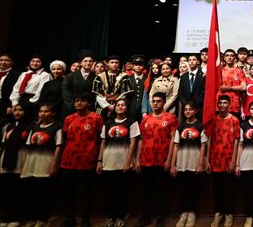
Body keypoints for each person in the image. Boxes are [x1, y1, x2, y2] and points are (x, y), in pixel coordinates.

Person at [60, 92, 104, 227]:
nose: (79, 103)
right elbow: (65, 138)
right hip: (68, 160)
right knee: (68, 191)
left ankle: (85, 218)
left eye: (82, 101)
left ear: (89, 103)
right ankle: (70, 218)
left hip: (87, 160)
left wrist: (98, 159)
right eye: (77, 101)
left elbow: (101, 138)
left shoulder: (96, 118)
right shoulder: (69, 119)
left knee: (86, 192)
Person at [135, 92, 178, 227]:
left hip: (162, 160)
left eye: (158, 101)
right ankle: (145, 216)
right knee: (145, 190)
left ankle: (160, 217)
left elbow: (173, 140)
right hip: (146, 160)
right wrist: (137, 159)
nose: (155, 104)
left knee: (161, 191)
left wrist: (169, 160)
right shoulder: (146, 119)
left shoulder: (170, 118)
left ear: (164, 102)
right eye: (153, 101)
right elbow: (141, 140)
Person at [96, 98, 140, 227]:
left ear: (127, 108)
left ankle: (120, 217)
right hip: (108, 161)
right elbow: (103, 142)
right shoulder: (108, 123)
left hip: (123, 162)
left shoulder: (132, 122)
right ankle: (110, 216)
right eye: (118, 105)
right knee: (109, 191)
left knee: (122, 192)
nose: (120, 107)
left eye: (123, 105)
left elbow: (133, 143)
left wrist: (128, 162)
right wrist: (99, 160)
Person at [20, 103, 62, 227]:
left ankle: (43, 219)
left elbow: (58, 147)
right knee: (31, 192)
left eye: (46, 111)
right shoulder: (33, 126)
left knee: (44, 192)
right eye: (41, 111)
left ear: (53, 113)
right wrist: (24, 164)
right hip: (32, 162)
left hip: (46, 162)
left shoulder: (57, 126)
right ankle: (33, 218)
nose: (43, 114)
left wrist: (54, 164)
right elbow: (28, 146)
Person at [171, 102, 207, 227]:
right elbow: (176, 145)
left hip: (194, 163)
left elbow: (203, 146)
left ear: (195, 111)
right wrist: (173, 164)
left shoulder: (200, 126)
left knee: (193, 189)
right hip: (182, 163)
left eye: (190, 109)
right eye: (185, 109)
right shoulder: (180, 127)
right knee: (183, 189)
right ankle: (184, 213)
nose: (187, 112)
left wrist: (200, 164)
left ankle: (192, 213)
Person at [206, 95, 240, 227]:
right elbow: (209, 140)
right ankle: (218, 213)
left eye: (225, 102)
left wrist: (233, 161)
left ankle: (228, 214)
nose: (222, 105)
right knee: (216, 189)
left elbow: (237, 141)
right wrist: (207, 160)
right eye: (220, 103)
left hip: (228, 160)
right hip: (215, 160)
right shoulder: (213, 120)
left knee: (229, 189)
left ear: (229, 104)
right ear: (218, 105)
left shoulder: (234, 120)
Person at [0, 103, 30, 227]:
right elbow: (3, 145)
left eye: (21, 110)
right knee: (5, 191)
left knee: (18, 191)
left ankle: (16, 218)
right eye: (15, 110)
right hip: (6, 161)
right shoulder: (8, 126)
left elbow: (29, 147)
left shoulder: (29, 126)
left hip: (20, 160)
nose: (17, 113)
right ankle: (6, 218)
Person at [62, 51, 96, 120]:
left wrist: (87, 106)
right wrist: (75, 107)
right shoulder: (70, 76)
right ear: (80, 63)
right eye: (85, 61)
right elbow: (66, 92)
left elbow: (95, 94)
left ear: (93, 63)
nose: (88, 63)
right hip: (71, 109)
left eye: (90, 61)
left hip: (88, 110)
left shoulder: (96, 77)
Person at [220, 49, 247, 118]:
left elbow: (243, 87)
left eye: (232, 56)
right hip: (221, 104)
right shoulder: (219, 71)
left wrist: (229, 88)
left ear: (235, 58)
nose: (229, 57)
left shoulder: (239, 71)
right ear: (224, 57)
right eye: (227, 55)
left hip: (234, 105)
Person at [127, 55, 147, 122]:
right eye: (136, 65)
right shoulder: (128, 79)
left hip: (144, 109)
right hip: (131, 108)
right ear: (133, 66)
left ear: (144, 66)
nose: (138, 67)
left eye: (140, 65)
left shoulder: (148, 78)